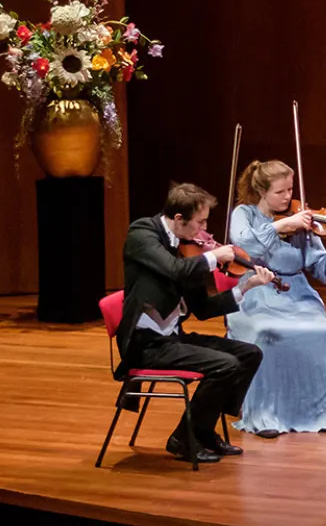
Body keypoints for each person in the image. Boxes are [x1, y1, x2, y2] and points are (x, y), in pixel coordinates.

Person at [115, 183, 274, 464]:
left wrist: (245, 287)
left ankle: (202, 429)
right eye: (199, 222)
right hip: (145, 344)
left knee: (249, 354)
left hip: (173, 338)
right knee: (225, 366)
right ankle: (183, 437)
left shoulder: (189, 251)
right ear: (178, 219)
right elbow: (173, 269)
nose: (203, 231)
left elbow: (201, 309)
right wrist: (214, 256)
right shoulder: (142, 234)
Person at [227, 160, 326, 438]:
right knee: (267, 331)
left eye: (290, 189)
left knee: (321, 329)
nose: (289, 197)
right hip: (255, 290)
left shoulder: (301, 220)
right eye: (280, 192)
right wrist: (279, 227)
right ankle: (265, 414)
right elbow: (243, 245)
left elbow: (323, 271)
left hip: (297, 292)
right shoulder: (245, 214)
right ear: (262, 192)